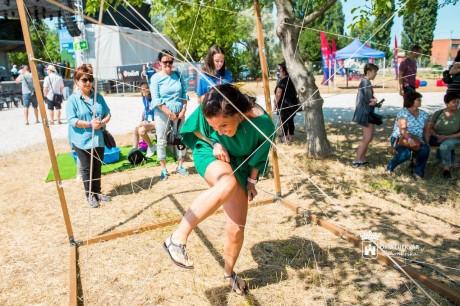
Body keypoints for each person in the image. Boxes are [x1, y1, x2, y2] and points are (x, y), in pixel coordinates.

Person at [163, 84, 275, 295]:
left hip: (240, 163)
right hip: (211, 152)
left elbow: (261, 153)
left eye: (224, 125)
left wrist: (252, 182)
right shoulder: (212, 105)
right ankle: (176, 239)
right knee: (227, 183)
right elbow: (193, 128)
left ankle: (229, 273)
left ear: (238, 112)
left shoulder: (264, 125)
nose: (220, 131)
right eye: (215, 127)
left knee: (236, 229)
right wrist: (214, 141)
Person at [66, 64, 112, 208]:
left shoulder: (98, 97)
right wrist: (90, 124)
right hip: (81, 140)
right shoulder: (73, 100)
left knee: (97, 165)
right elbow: (72, 120)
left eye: (90, 79)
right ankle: (89, 194)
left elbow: (108, 113)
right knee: (86, 168)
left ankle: (97, 191)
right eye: (84, 80)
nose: (88, 83)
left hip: (98, 138)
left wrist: (102, 123)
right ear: (77, 81)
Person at [149, 49, 189, 180]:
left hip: (179, 113)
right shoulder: (155, 78)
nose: (168, 64)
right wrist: (168, 112)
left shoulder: (178, 75)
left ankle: (180, 165)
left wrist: (183, 110)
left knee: (181, 138)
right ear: (159, 62)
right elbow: (156, 98)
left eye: (170, 62)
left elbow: (184, 94)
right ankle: (164, 169)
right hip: (162, 114)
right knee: (161, 140)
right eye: (165, 62)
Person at [386, 92, 430, 180]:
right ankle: (390, 168)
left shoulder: (423, 114)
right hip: (401, 138)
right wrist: (410, 139)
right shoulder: (403, 113)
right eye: (418, 99)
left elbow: (426, 130)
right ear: (411, 101)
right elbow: (403, 130)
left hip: (418, 137)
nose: (420, 101)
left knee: (425, 150)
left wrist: (426, 142)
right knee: (405, 154)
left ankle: (418, 172)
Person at [352, 63, 380, 166]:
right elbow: (370, 101)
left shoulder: (366, 82)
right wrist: (376, 101)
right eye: (375, 72)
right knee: (367, 138)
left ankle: (362, 158)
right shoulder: (365, 82)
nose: (376, 74)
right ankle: (357, 160)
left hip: (367, 113)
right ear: (369, 71)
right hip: (365, 114)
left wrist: (375, 101)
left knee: (368, 138)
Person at [427, 93, 460, 179]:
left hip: (455, 137)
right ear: (446, 103)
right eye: (453, 102)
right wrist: (437, 135)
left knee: (445, 146)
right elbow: (430, 128)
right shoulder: (438, 113)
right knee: (421, 142)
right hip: (437, 136)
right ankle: (416, 165)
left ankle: (446, 170)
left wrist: (446, 137)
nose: (456, 104)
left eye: (457, 102)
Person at [274, 61, 299, 144]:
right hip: (293, 104)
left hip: (284, 105)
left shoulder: (282, 81)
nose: (279, 72)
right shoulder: (292, 80)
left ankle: (285, 139)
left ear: (284, 71)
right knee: (290, 120)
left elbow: (278, 94)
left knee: (284, 121)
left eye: (280, 70)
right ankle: (290, 137)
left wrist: (275, 104)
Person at [133, 82, 156, 157]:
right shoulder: (144, 98)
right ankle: (134, 151)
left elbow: (153, 112)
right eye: (142, 89)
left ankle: (151, 147)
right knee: (135, 129)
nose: (143, 91)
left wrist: (146, 122)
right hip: (149, 121)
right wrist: (144, 121)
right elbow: (146, 111)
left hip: (156, 121)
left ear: (149, 89)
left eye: (145, 89)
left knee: (141, 131)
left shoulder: (154, 99)